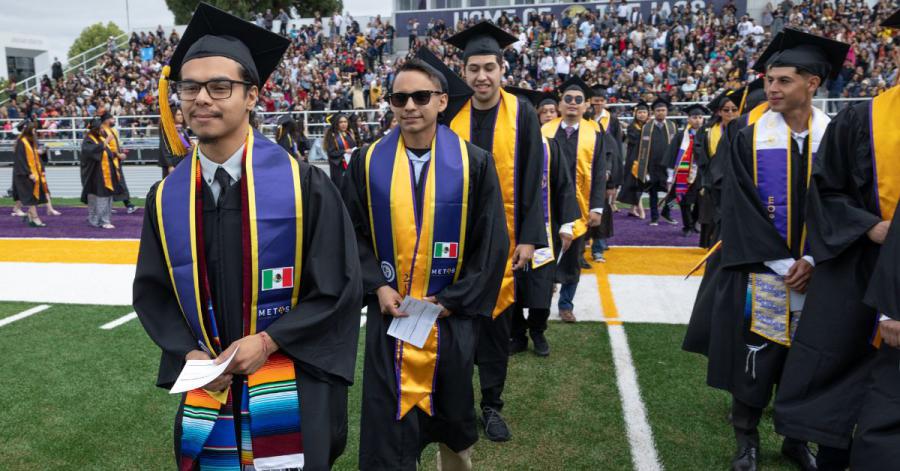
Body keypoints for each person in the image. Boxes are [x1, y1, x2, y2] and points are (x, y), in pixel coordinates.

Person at [132, 5, 362, 469]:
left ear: (252, 96)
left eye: (220, 86)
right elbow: (153, 292)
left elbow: (338, 286)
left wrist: (270, 341)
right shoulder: (166, 198)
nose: (201, 99)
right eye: (189, 87)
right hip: (208, 378)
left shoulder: (306, 187)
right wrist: (189, 352)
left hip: (292, 377)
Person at [345, 57, 509, 471]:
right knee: (388, 429)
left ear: (441, 100)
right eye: (399, 97)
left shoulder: (474, 163)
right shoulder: (366, 162)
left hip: (450, 321)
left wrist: (452, 299)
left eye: (420, 96)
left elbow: (490, 245)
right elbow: (350, 235)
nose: (409, 106)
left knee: (451, 418)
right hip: (391, 317)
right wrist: (376, 286)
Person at [716, 28, 849, 471]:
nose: (771, 88)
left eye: (783, 80)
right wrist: (782, 260)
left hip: (822, 269)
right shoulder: (746, 135)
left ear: (812, 83)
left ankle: (797, 440)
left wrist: (812, 258)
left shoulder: (837, 136)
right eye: (769, 80)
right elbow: (735, 203)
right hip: (762, 268)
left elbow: (846, 204)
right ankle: (746, 442)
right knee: (758, 352)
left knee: (808, 359)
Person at [775, 15, 900, 470]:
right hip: (859, 265)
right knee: (839, 377)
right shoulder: (863, 118)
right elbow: (826, 189)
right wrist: (868, 226)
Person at [443, 20, 548, 442]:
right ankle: (455, 405)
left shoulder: (522, 112)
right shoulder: (452, 111)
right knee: (454, 326)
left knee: (495, 327)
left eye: (489, 67)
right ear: (463, 72)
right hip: (456, 239)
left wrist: (527, 236)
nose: (482, 76)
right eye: (474, 69)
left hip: (502, 242)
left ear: (502, 69)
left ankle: (491, 405)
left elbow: (532, 178)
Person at [506, 86, 579, 357]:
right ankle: (517, 334)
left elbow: (564, 186)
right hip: (509, 232)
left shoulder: (550, 147)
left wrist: (566, 225)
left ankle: (537, 330)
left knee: (541, 290)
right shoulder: (503, 149)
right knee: (510, 288)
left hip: (544, 234)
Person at [541, 76, 608, 325]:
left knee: (573, 257)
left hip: (580, 205)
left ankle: (566, 304)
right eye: (567, 99)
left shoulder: (595, 133)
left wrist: (597, 207)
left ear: (586, 106)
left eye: (578, 100)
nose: (572, 103)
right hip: (548, 203)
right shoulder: (545, 131)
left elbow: (600, 170)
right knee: (545, 253)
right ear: (560, 104)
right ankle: (542, 298)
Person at [693, 90, 741, 248]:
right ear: (719, 112)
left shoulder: (745, 129)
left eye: (734, 109)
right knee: (712, 214)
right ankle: (710, 244)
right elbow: (699, 151)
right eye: (726, 110)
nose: (730, 113)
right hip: (712, 179)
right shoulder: (707, 130)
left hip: (736, 178)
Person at [589, 84, 624, 262]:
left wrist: (613, 181)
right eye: (595, 101)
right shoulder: (584, 118)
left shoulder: (612, 120)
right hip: (584, 169)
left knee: (601, 209)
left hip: (604, 172)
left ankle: (598, 246)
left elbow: (616, 150)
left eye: (601, 101)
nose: (598, 105)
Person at [663, 104, 707, 237]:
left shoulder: (707, 135)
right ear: (688, 119)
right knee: (684, 202)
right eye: (694, 117)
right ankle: (687, 226)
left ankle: (695, 222)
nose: (698, 120)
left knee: (701, 201)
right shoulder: (681, 136)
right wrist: (670, 177)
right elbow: (672, 155)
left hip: (701, 174)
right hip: (683, 174)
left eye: (700, 117)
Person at [633, 97, 677, 226]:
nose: (661, 113)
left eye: (663, 110)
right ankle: (654, 217)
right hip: (652, 166)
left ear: (667, 111)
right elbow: (641, 149)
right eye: (658, 110)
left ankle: (667, 212)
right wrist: (643, 169)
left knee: (674, 193)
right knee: (653, 193)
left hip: (668, 166)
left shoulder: (672, 126)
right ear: (653, 112)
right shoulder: (647, 127)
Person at [80, 117, 119, 229]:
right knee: (96, 197)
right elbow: (91, 152)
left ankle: (104, 220)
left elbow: (106, 153)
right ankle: (98, 220)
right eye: (100, 128)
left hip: (104, 173)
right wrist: (106, 142)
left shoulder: (100, 138)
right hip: (95, 174)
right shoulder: (88, 140)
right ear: (95, 129)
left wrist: (116, 155)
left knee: (105, 196)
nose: (102, 130)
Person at [12, 119, 48, 227]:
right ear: (28, 130)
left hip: (30, 173)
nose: (35, 131)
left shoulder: (29, 141)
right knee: (31, 197)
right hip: (24, 174)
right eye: (33, 129)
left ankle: (30, 216)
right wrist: (28, 173)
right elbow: (20, 160)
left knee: (32, 196)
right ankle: (35, 218)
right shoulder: (21, 142)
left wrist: (40, 153)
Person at [618, 101, 650, 219]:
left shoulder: (648, 126)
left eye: (644, 112)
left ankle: (632, 209)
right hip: (634, 160)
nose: (642, 114)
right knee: (636, 184)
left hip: (645, 159)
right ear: (635, 114)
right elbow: (638, 140)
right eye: (639, 112)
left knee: (638, 184)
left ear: (648, 114)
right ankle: (641, 210)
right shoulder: (632, 127)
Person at [100, 112, 136, 213]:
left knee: (112, 184)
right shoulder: (102, 131)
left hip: (115, 160)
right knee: (118, 183)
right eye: (112, 119)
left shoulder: (112, 130)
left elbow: (114, 146)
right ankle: (129, 205)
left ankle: (108, 206)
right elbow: (104, 147)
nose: (114, 120)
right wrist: (118, 155)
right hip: (109, 162)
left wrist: (121, 151)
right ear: (106, 120)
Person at [323, 113, 356, 189]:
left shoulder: (348, 134)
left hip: (350, 166)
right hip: (339, 168)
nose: (344, 124)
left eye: (345, 122)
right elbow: (331, 153)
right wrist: (344, 151)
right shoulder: (332, 135)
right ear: (336, 123)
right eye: (341, 122)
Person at [158, 107, 191, 178]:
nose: (181, 116)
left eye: (181, 114)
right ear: (172, 116)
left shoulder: (182, 129)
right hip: (172, 163)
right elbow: (164, 148)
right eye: (178, 115)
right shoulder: (167, 130)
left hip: (182, 162)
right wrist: (170, 165)